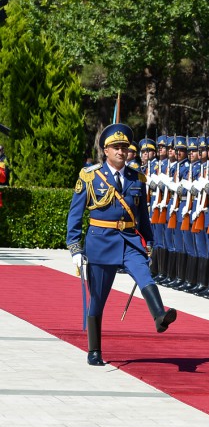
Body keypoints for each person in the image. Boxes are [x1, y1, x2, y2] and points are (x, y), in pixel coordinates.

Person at [66, 123, 178, 366]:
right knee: (98, 298)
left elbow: (143, 215)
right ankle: (94, 350)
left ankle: (159, 316)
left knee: (144, 274)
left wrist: (149, 241)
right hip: (101, 241)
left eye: (124, 147)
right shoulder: (90, 176)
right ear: (105, 150)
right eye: (115, 147)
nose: (121, 151)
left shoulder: (137, 178)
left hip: (129, 239)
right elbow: (75, 215)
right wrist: (74, 247)